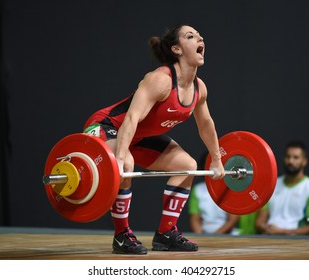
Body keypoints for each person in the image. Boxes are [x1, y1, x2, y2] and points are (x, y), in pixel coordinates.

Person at [83, 25, 225, 254]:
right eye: (191, 36)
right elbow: (131, 118)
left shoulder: (199, 89)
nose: (199, 38)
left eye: (200, 35)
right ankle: (121, 236)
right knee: (126, 164)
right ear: (177, 49)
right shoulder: (160, 80)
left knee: (187, 166)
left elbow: (206, 125)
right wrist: (119, 159)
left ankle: (166, 234)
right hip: (107, 126)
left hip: (137, 137)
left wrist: (216, 160)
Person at [255, 141, 309, 235]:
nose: (290, 161)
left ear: (304, 161)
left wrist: (281, 232)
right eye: (288, 157)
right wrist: (266, 228)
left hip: (297, 243)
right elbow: (260, 222)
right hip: (269, 238)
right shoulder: (272, 185)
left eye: (296, 157)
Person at [188, 153, 239, 234]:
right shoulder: (198, 190)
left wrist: (217, 235)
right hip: (204, 234)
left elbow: (233, 219)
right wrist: (200, 236)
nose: (213, 169)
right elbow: (195, 218)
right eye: (209, 165)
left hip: (228, 235)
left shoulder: (228, 188)